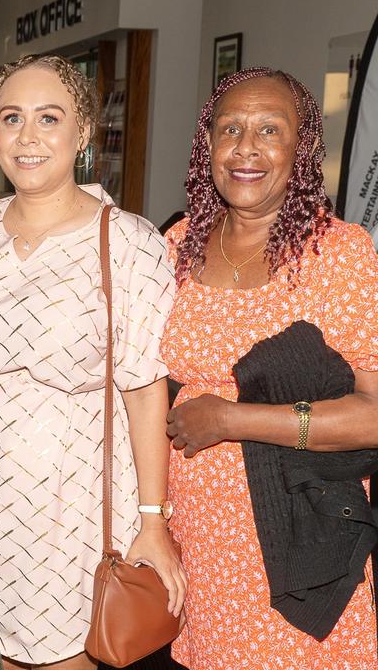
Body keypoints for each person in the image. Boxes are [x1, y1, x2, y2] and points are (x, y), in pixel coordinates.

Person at [0, 54, 186, 670]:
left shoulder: (128, 241)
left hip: (70, 506)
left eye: (49, 119)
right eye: (11, 118)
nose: (27, 137)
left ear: (82, 135)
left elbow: (145, 388)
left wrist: (153, 523)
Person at [162, 67, 378, 669]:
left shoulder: (337, 254)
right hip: (197, 550)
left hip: (298, 548)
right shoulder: (176, 245)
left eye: (269, 129)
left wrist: (234, 419)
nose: (246, 147)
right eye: (230, 128)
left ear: (302, 146)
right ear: (208, 146)